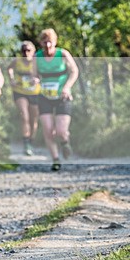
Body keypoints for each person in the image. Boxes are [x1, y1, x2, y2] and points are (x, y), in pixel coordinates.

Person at [35, 28, 79, 171]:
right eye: (44, 43)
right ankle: (55, 159)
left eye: (50, 42)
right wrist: (35, 80)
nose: (47, 46)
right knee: (48, 130)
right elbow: (34, 74)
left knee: (60, 131)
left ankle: (65, 142)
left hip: (62, 96)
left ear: (55, 42)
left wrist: (67, 87)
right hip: (45, 96)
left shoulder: (63, 54)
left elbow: (74, 71)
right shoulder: (38, 56)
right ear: (41, 43)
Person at [7, 40, 40, 155]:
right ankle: (26, 144)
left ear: (33, 51)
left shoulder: (37, 62)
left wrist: (37, 79)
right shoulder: (17, 61)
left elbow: (43, 74)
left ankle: (31, 141)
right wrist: (12, 80)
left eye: (28, 50)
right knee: (24, 115)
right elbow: (9, 68)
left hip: (34, 92)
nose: (26, 53)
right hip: (20, 91)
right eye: (23, 50)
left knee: (33, 119)